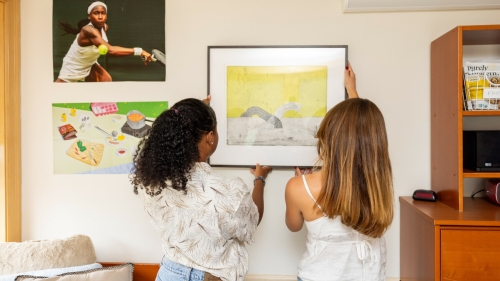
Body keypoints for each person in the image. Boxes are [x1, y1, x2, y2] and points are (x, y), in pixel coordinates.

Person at [130, 97, 272, 281]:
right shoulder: (229, 190)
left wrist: (188, 112)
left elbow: (176, 121)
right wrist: (259, 179)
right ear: (210, 137)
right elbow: (253, 217)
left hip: (169, 273)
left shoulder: (150, 181)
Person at [285, 64, 394, 281]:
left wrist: (300, 187)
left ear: (330, 140)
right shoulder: (378, 186)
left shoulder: (298, 187)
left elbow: (293, 226)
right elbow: (362, 135)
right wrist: (353, 91)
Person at [55, 1, 152, 82]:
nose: (100, 17)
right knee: (56, 94)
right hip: (73, 67)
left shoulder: (105, 27)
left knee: (105, 80)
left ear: (107, 16)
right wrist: (140, 51)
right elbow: (110, 51)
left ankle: (96, 103)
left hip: (90, 64)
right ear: (89, 16)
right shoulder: (88, 30)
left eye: (103, 13)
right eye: (96, 13)